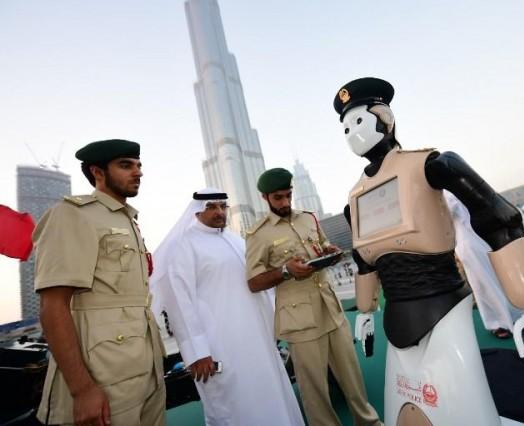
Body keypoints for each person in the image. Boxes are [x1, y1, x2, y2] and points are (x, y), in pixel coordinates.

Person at [334, 77, 524, 425]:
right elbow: (363, 260)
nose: (352, 132)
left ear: (384, 118)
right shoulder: (356, 198)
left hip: (443, 304)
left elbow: (500, 218)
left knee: (464, 402)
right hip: (396, 316)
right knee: (403, 402)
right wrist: (367, 311)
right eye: (345, 128)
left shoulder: (430, 164)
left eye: (358, 121)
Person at [33, 139, 165, 426]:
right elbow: (53, 305)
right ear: (98, 172)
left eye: (139, 165)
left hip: (145, 368)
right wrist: (82, 390)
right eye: (126, 165)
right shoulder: (73, 214)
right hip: (104, 376)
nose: (138, 172)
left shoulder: (128, 221)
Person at [150, 187, 304, 426]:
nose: (219, 212)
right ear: (198, 210)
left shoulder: (235, 239)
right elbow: (180, 303)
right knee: (233, 405)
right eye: (211, 207)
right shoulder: (184, 245)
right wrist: (197, 352)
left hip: (257, 339)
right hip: (219, 347)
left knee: (270, 394)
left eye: (222, 206)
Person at [245, 168, 381, 426]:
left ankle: (370, 424)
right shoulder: (258, 235)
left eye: (288, 195)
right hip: (300, 321)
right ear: (265, 198)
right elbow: (253, 282)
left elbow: (322, 244)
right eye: (278, 198)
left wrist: (330, 250)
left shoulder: (308, 218)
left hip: (330, 309)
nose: (285, 202)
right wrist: (286, 271)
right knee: (315, 391)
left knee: (353, 379)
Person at [444, 191, 522, 339]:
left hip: (477, 239)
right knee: (482, 284)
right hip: (468, 241)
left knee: (491, 280)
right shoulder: (447, 193)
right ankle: (500, 321)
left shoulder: (450, 192)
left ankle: (512, 317)